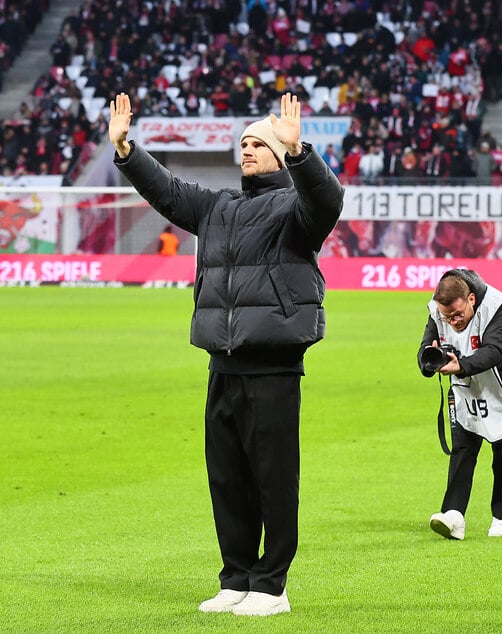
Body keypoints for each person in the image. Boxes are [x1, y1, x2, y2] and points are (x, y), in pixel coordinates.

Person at [109, 92, 344, 616]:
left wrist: (300, 152)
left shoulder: (295, 208)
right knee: (227, 478)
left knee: (273, 479)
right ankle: (236, 577)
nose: (247, 150)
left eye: (258, 143)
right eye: (243, 144)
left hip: (273, 364)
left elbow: (327, 202)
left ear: (278, 153)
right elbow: (167, 191)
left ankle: (272, 586)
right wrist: (126, 149)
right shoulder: (218, 207)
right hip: (222, 361)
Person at [417, 269, 502, 540]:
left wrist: (460, 365)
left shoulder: (498, 308)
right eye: (447, 317)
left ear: (471, 299)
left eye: (457, 315)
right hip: (469, 387)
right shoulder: (438, 311)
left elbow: (495, 350)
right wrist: (429, 364)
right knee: (462, 450)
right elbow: (425, 348)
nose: (452, 322)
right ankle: (454, 515)